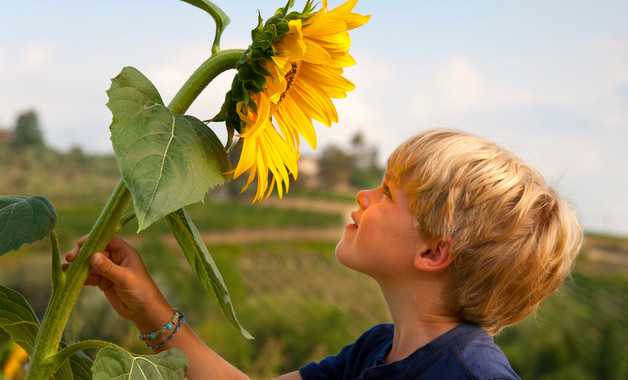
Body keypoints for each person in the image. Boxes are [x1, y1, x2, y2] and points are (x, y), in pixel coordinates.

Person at [66, 129, 583, 379]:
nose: (364, 197)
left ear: (431, 251)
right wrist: (148, 307)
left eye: (386, 193)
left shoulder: (469, 377)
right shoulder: (377, 353)